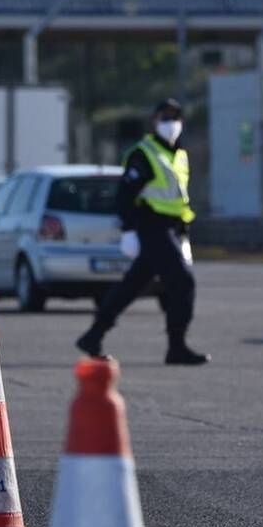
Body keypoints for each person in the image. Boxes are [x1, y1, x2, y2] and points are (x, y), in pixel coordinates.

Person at [76, 99, 210, 366]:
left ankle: (93, 334)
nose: (171, 123)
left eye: (175, 117)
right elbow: (125, 195)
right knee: (182, 282)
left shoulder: (178, 154)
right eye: (165, 118)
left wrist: (183, 229)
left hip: (172, 228)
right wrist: (128, 230)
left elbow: (176, 197)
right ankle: (177, 346)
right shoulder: (144, 153)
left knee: (132, 286)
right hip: (152, 227)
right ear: (154, 121)